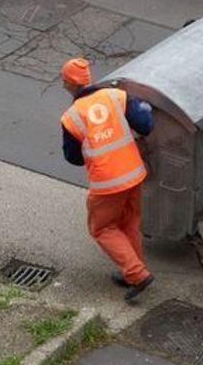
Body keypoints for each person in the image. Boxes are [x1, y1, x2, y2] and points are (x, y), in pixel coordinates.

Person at [59, 58, 155, 301]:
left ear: (69, 85)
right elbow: (145, 125)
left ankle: (136, 273)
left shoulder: (71, 117)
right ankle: (131, 271)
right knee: (128, 223)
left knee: (102, 228)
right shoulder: (116, 96)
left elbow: (73, 158)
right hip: (134, 172)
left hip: (107, 182)